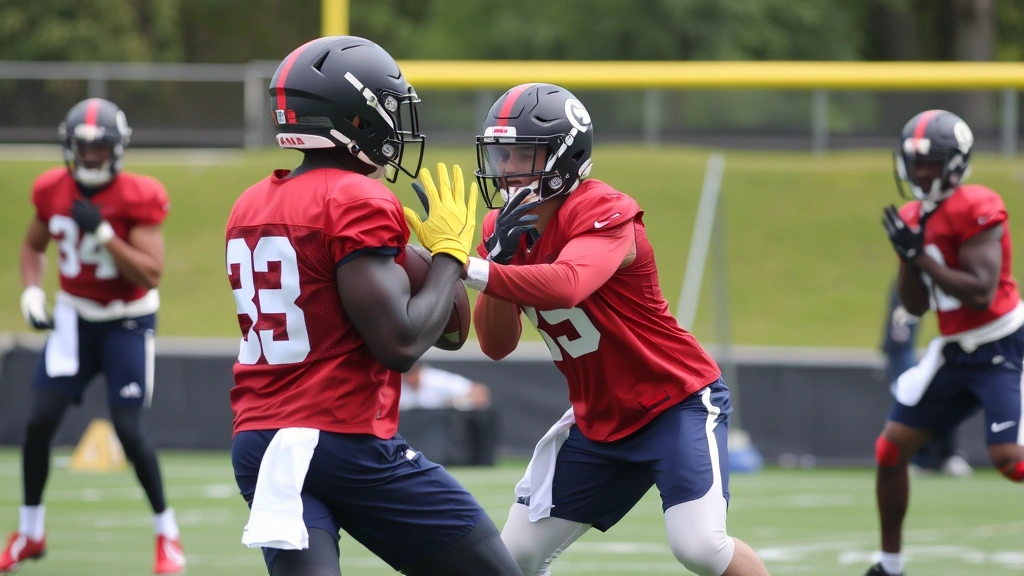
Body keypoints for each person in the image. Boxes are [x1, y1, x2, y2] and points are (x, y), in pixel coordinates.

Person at [225, 36, 521, 576]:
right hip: (342, 441)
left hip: (261, 444)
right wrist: (451, 256)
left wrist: (432, 259)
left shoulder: (252, 202)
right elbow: (404, 344)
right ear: (356, 117)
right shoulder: (354, 198)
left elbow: (449, 329)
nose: (396, 124)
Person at [467, 83, 771, 576]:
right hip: (599, 421)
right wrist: (494, 261)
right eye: (502, 154)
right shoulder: (500, 230)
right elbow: (496, 344)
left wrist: (473, 269)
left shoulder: (603, 210)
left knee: (699, 546)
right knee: (515, 556)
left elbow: (568, 285)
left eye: (523, 153)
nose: (506, 168)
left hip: (673, 403)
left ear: (566, 157)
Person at [0, 98, 184, 574]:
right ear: (68, 148)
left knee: (129, 430)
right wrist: (32, 292)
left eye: (100, 148)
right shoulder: (50, 189)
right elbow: (33, 244)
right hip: (74, 318)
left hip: (127, 319)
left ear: (117, 149)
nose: (91, 157)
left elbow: (149, 273)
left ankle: (167, 533)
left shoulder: (139, 194)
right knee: (39, 422)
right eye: (82, 148)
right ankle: (31, 531)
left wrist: (103, 233)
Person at [868, 109, 1024, 576]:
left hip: (1004, 345)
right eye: (914, 162)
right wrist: (907, 258)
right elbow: (916, 306)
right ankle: (889, 565)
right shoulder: (915, 215)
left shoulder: (977, 203)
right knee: (891, 450)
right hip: (956, 351)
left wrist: (921, 256)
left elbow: (980, 288)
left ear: (955, 163)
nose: (920, 172)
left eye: (930, 162)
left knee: (1008, 459)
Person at [880, 284, 972, 477]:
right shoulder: (912, 278)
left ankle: (947, 455)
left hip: (965, 346)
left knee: (948, 395)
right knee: (912, 397)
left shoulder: (958, 276)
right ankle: (920, 459)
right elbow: (900, 338)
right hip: (905, 350)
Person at [399, 362, 491, 411]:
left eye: (412, 374)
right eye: (407, 375)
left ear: (419, 371)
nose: (410, 379)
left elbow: (479, 390)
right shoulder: (399, 385)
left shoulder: (436, 380)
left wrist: (456, 403)